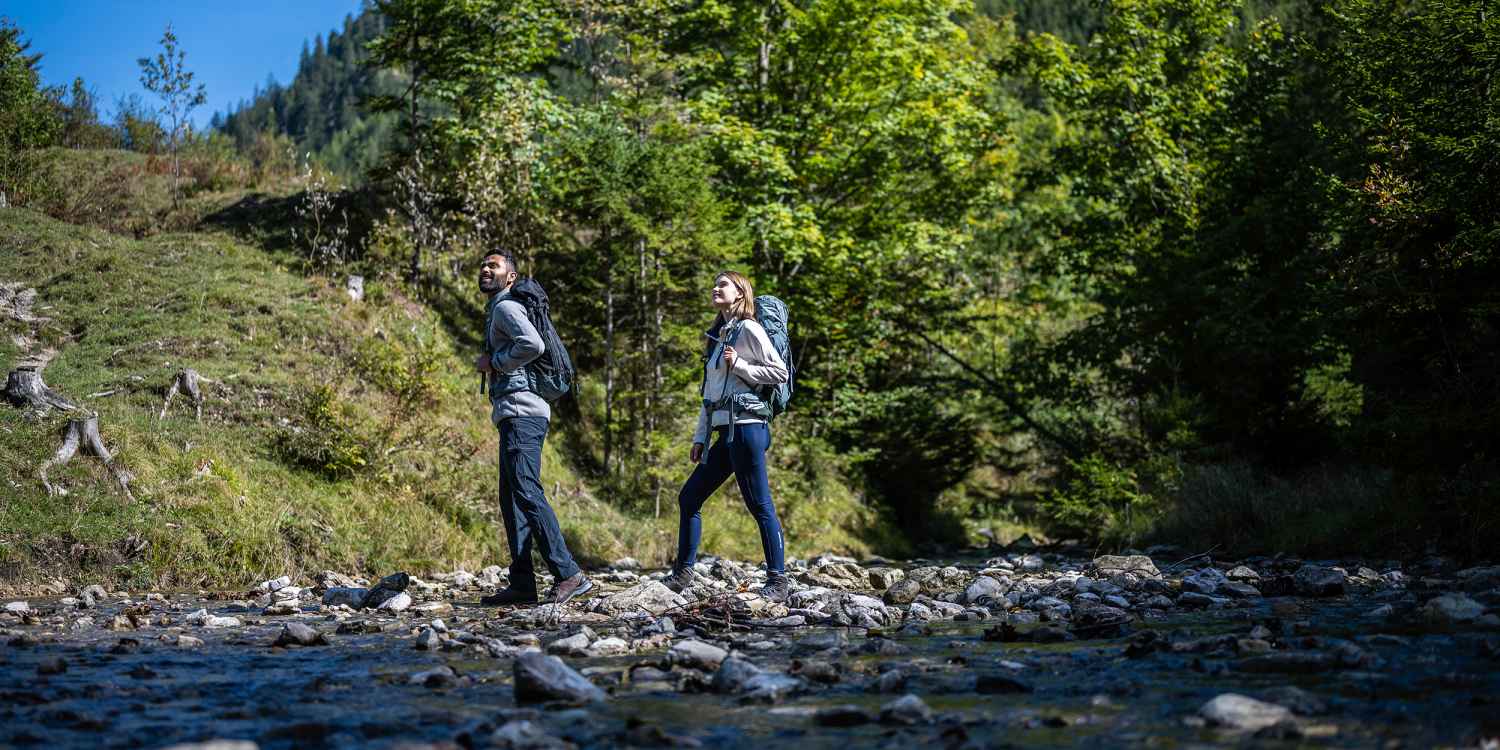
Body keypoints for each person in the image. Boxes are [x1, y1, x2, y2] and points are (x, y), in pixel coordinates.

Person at [474, 251, 592, 606]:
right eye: (484, 265)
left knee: (526, 491)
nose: (485, 269)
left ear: (510, 277)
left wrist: (493, 361)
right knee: (511, 499)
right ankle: (523, 583)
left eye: (493, 266)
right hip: (514, 413)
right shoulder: (500, 307)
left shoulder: (507, 307)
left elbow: (533, 344)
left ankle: (568, 573)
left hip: (523, 412)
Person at [665, 271, 792, 600]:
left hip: (749, 427)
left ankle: (778, 582)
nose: (715, 288)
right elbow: (710, 394)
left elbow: (779, 372)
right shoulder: (719, 335)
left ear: (741, 294)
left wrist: (740, 367)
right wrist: (700, 437)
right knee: (689, 497)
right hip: (725, 430)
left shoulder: (749, 328)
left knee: (759, 505)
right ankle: (682, 575)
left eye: (723, 285)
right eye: (715, 284)